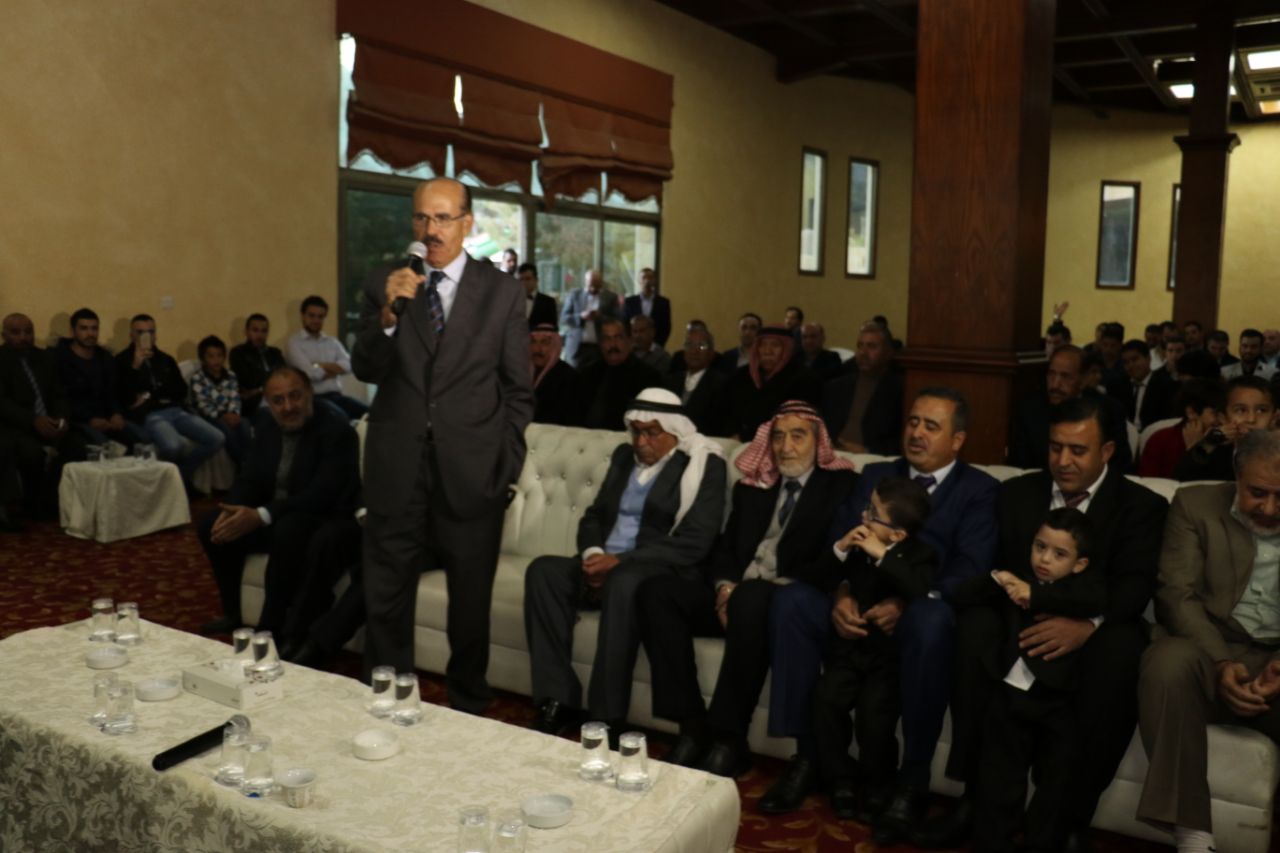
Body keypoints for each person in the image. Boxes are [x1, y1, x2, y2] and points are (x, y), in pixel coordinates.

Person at [921, 394, 1167, 851]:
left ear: (1107, 451)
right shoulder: (1017, 493)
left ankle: (1069, 818)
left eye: (1078, 450)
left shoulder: (1141, 507)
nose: (1063, 460)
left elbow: (1133, 589)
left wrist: (1087, 625)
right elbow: (994, 569)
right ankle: (977, 800)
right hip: (1019, 620)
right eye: (1056, 447)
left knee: (1122, 649)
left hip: (1096, 628)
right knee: (974, 626)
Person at [765, 389, 998, 839]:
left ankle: (911, 780)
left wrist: (908, 600)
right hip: (858, 596)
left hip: (920, 608)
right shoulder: (875, 474)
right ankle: (808, 756)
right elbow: (840, 540)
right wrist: (842, 593)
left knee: (930, 621)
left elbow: (970, 571)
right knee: (791, 600)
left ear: (957, 440)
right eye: (913, 421)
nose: (917, 432)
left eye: (931, 426)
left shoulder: (979, 489)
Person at [352, 177, 533, 713]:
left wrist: (505, 464)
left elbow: (518, 390)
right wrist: (387, 318)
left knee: (470, 605)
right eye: (421, 218)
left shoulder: (501, 292)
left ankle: (469, 708)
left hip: (474, 470)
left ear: (467, 223)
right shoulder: (385, 283)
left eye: (442, 218)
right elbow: (366, 367)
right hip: (397, 466)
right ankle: (388, 702)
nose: (430, 230)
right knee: (386, 596)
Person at [637, 401, 856, 777]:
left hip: (787, 600)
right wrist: (724, 588)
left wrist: (750, 592)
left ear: (818, 441)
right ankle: (691, 724)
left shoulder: (840, 487)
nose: (786, 447)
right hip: (737, 596)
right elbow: (725, 549)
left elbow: (834, 560)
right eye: (778, 437)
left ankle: (729, 737)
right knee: (656, 592)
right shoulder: (753, 487)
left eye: (798, 436)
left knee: (753, 597)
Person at [525, 388, 725, 734]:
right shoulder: (623, 457)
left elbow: (694, 542)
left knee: (623, 580)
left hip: (655, 570)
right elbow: (594, 515)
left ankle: (606, 714)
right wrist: (593, 555)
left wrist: (619, 562)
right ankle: (557, 697)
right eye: (636, 431)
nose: (641, 441)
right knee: (544, 571)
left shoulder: (702, 465)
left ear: (674, 431)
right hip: (607, 562)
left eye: (652, 432)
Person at [1136, 429, 1280, 853]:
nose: (1270, 508)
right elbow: (1176, 596)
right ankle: (1193, 835)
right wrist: (1221, 662)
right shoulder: (1194, 505)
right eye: (1257, 493)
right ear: (1236, 473)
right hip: (1207, 648)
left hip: (1274, 658)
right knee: (1166, 662)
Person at [964, 508, 1105, 853]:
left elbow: (1094, 601)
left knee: (1056, 781)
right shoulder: (1020, 579)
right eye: (1040, 547)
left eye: (1059, 554)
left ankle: (1041, 843)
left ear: (1079, 564)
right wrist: (1000, 578)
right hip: (1008, 693)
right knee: (998, 774)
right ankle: (991, 842)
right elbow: (968, 594)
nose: (1044, 559)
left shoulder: (1084, 591)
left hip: (1057, 699)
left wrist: (1034, 594)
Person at [812, 477, 937, 829]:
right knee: (825, 701)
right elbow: (822, 578)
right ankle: (839, 778)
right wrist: (841, 547)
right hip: (848, 651)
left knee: (875, 719)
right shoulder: (855, 546)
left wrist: (882, 555)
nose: (863, 516)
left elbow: (918, 588)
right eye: (867, 508)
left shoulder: (921, 555)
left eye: (872, 513)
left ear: (897, 533)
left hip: (886, 660)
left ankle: (878, 785)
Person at [197, 366, 359, 634]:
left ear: (309, 393)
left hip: (318, 517)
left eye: (295, 396)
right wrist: (232, 510)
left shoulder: (337, 430)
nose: (288, 407)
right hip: (273, 514)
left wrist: (261, 515)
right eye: (278, 400)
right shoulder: (266, 427)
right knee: (212, 525)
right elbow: (250, 477)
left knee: (288, 529)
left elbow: (322, 493)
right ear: (268, 403)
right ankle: (234, 612)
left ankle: (270, 625)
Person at [115, 314, 224, 489]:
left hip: (176, 410)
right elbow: (125, 398)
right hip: (150, 415)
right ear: (132, 335)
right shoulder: (121, 361)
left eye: (150, 332)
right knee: (174, 446)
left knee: (217, 438)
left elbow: (180, 390)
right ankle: (176, 485)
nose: (146, 336)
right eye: (140, 332)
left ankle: (178, 480)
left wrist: (149, 395)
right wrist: (135, 367)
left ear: (155, 334)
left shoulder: (165, 359)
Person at [0, 313, 86, 517]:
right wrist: (33, 420)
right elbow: (3, 403)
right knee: (31, 452)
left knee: (77, 445)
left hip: (50, 423)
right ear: (4, 335)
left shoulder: (45, 358)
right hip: (17, 426)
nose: (23, 337)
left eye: (28, 332)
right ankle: (33, 505)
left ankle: (56, 502)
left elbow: (59, 394)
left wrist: (62, 419)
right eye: (16, 332)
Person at [56, 308, 141, 447]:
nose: (90, 333)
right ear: (72, 331)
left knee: (140, 440)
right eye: (84, 328)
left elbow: (113, 391)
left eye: (94, 328)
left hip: (107, 419)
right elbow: (61, 398)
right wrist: (89, 419)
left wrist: (116, 413)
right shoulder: (60, 358)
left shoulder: (105, 358)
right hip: (77, 421)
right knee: (103, 445)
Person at [821, 322, 903, 455]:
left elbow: (902, 441)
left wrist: (867, 450)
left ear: (888, 352)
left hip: (872, 458)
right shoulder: (836, 387)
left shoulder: (900, 389)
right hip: (832, 454)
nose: (863, 353)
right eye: (860, 346)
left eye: (871, 346)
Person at [1173, 376, 1275, 482]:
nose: (1251, 419)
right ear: (1223, 418)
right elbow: (1181, 477)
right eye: (1240, 410)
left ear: (1274, 417)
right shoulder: (1217, 455)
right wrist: (1209, 441)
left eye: (1262, 410)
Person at [728, 326, 822, 441]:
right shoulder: (740, 375)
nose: (768, 351)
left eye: (775, 345)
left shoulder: (805, 379)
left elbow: (798, 422)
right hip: (737, 441)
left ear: (787, 349)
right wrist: (733, 433)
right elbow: (726, 411)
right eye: (763, 345)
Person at [285, 296, 368, 419]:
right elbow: (310, 375)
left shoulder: (332, 342)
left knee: (371, 414)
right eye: (311, 316)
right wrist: (336, 369)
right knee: (341, 418)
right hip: (312, 400)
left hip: (337, 396)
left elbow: (350, 366)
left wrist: (319, 365)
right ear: (303, 316)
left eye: (320, 316)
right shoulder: (294, 343)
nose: (316, 320)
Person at [576, 318, 662, 430]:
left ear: (629, 340)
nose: (612, 344)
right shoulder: (587, 374)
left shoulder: (648, 377)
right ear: (600, 344)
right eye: (607, 338)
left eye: (618, 337)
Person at [1009, 346, 1081, 470]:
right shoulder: (1030, 410)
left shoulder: (1102, 411)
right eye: (1051, 374)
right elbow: (1018, 466)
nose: (1055, 384)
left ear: (1083, 379)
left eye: (1065, 376)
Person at [1138, 380, 1226, 479]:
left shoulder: (1225, 441)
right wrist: (1193, 452)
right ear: (1191, 412)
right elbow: (1148, 483)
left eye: (1225, 413)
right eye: (1215, 413)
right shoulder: (1161, 440)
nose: (1222, 420)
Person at [190, 335, 252, 463]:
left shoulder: (231, 375)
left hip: (230, 414)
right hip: (211, 417)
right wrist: (222, 415)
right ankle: (243, 464)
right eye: (211, 356)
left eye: (219, 355)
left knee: (245, 424)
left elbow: (235, 397)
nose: (216, 360)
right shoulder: (198, 378)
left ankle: (250, 461)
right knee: (226, 431)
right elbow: (202, 405)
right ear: (203, 359)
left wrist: (234, 413)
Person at [664, 326, 730, 437]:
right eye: (689, 345)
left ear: (711, 353)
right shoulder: (671, 381)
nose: (694, 351)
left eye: (702, 346)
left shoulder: (721, 384)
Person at [560, 269, 621, 369]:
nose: (593, 288)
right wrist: (581, 316)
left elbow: (617, 320)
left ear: (601, 283)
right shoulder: (575, 295)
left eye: (596, 285)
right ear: (585, 282)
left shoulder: (610, 297)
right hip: (577, 348)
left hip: (600, 348)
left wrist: (600, 317)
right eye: (591, 285)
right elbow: (564, 318)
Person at [229, 313, 285, 420]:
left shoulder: (275, 353)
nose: (260, 335)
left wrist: (259, 388)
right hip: (255, 403)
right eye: (255, 330)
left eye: (264, 331)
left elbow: (284, 376)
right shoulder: (238, 353)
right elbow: (249, 380)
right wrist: (271, 381)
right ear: (246, 332)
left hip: (279, 398)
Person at [1113, 339, 1177, 430]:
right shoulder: (1119, 386)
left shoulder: (1166, 385)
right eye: (1126, 362)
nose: (1131, 365)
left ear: (1148, 358)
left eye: (1135, 359)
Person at [529, 323, 578, 426]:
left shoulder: (568, 377)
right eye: (533, 342)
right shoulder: (519, 373)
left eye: (544, 342)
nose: (538, 349)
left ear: (555, 345)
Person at [623, 267, 671, 347]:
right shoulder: (630, 302)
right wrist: (630, 342)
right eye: (644, 278)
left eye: (650, 277)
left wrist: (657, 345)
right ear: (639, 281)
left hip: (655, 346)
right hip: (634, 346)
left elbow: (666, 327)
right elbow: (625, 324)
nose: (647, 281)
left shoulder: (663, 303)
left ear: (655, 280)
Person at [517, 263, 558, 329]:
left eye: (528, 279)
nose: (523, 283)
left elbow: (553, 329)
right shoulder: (512, 301)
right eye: (521, 279)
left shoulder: (548, 302)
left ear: (536, 280)